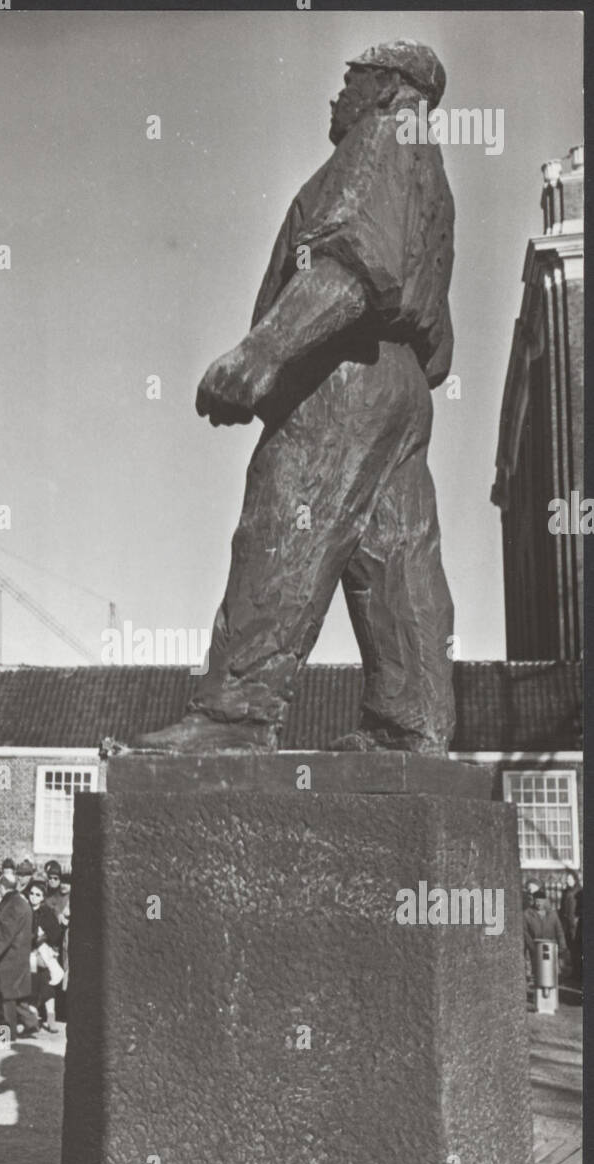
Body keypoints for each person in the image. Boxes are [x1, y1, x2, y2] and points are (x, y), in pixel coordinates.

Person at [135, 40, 456, 756]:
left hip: (340, 371)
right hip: (399, 381)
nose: (337, 97)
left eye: (352, 81)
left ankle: (234, 715)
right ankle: (412, 723)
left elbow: (353, 261)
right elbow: (434, 338)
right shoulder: (431, 173)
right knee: (394, 552)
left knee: (287, 523)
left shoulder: (380, 140)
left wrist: (262, 352)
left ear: (386, 87)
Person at [0, 864, 35, 1039]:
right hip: (19, 957)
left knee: (5, 1000)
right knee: (16, 997)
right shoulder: (21, 903)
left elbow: (4, 935)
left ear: (2, 887)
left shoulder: (11, 906)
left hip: (8, 960)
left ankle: (5, 1038)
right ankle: (32, 1023)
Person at [26, 882, 63, 1033]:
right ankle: (32, 1019)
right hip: (28, 953)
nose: (34, 897)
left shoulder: (46, 912)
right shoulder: (25, 910)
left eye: (38, 895)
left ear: (43, 897)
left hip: (44, 952)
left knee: (47, 981)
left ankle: (51, 1018)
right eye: (32, 894)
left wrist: (44, 940)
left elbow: (55, 934)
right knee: (32, 982)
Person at [523, 889, 567, 984]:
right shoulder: (527, 914)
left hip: (550, 948)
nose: (538, 903)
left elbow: (559, 931)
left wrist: (562, 946)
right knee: (538, 976)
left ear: (545, 901)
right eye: (536, 901)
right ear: (533, 901)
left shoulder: (552, 914)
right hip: (535, 949)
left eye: (541, 901)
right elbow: (525, 933)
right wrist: (532, 946)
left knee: (551, 976)